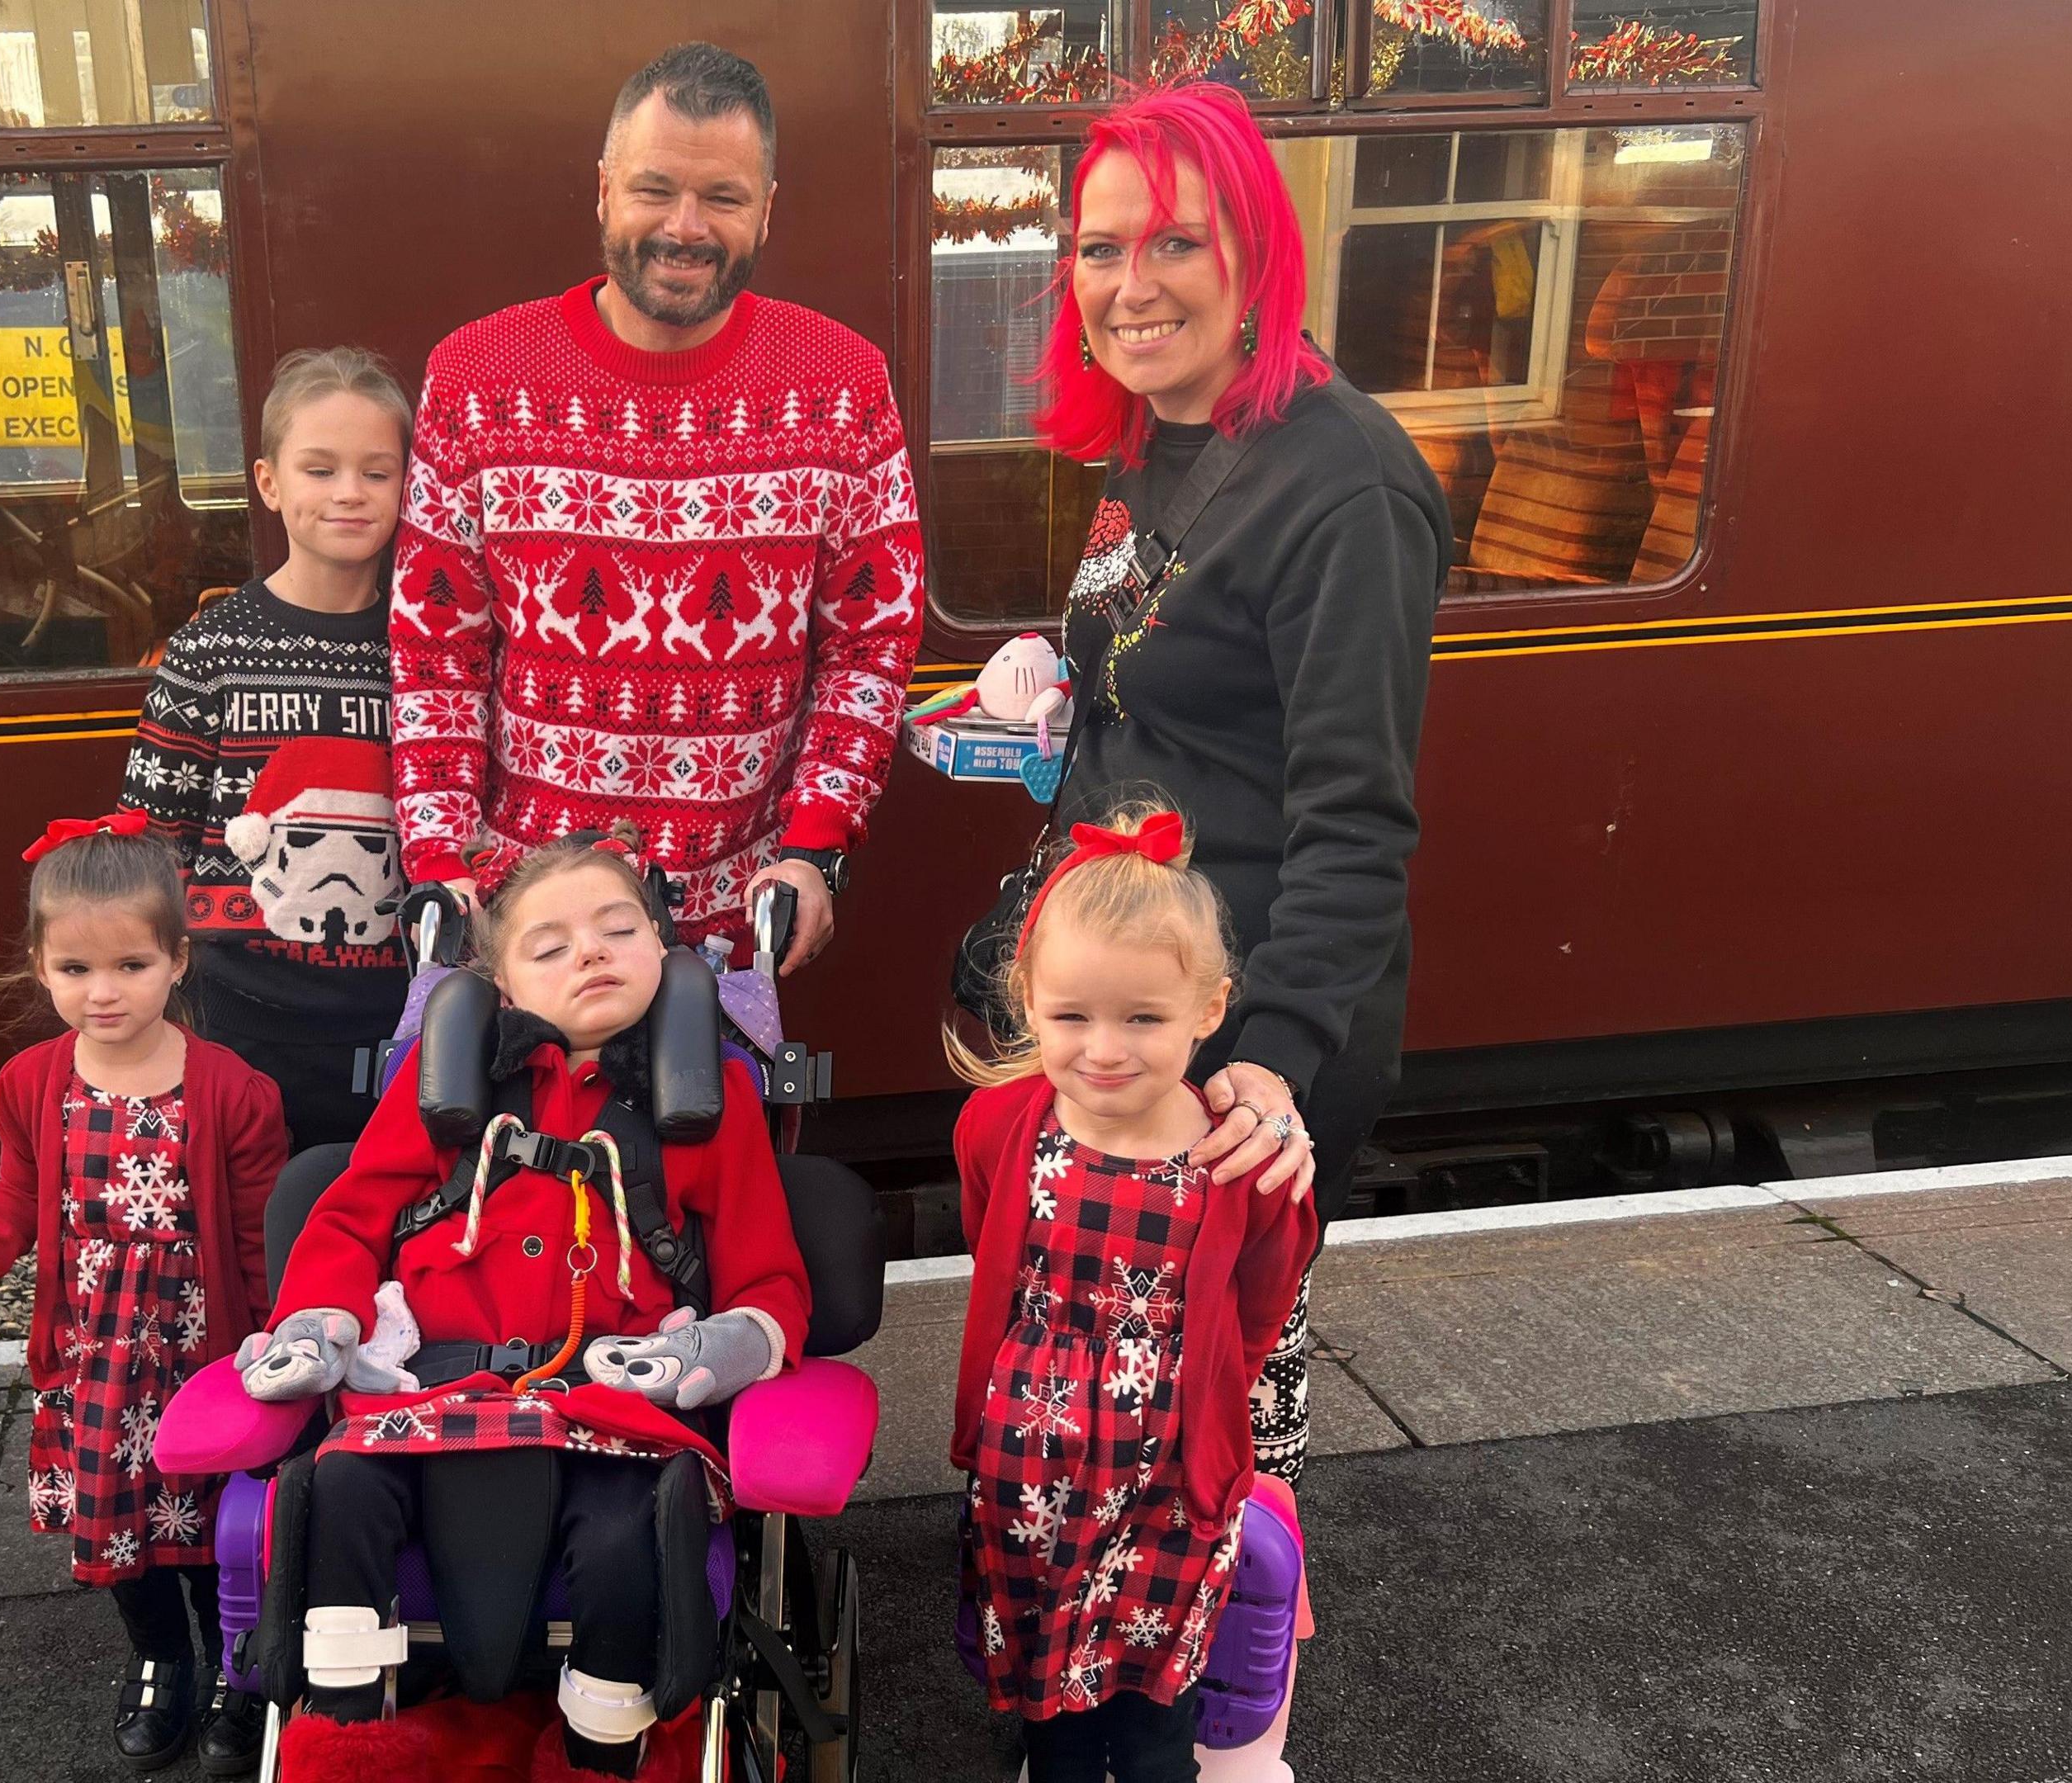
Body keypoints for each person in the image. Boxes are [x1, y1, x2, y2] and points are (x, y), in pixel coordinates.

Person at [1027, 79, 1448, 1483]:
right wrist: (1046, 678)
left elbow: (1356, 816)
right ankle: (1105, 1653)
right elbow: (1164, 668)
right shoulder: (1163, 437)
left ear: (1254, 252)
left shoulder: (1346, 488)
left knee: (1217, 1415)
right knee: (1114, 1389)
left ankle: (1231, 1677)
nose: (1128, 286)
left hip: (1230, 1025)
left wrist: (1265, 1057)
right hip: (1137, 994)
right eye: (1100, 248)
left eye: (1174, 243)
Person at [239, 829, 811, 1782]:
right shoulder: (442, 1091)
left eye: (616, 929)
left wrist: (725, 1344)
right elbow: (345, 1223)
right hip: (425, 1396)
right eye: (549, 947)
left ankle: (601, 1752)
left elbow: (769, 1283)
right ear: (501, 987)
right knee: (335, 1487)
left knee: (632, 1526)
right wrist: (322, 1320)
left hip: (608, 1405)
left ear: (664, 952)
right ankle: (346, 1740)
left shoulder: (708, 1108)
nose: (588, 951)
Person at [389, 41, 925, 972]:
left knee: (723, 1123)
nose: (685, 227)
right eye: (654, 190)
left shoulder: (846, 382)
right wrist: (443, 860)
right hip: (529, 923)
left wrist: (813, 849)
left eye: (721, 197)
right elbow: (437, 650)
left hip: (738, 924)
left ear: (766, 206)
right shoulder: (472, 377)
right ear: (603, 190)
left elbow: (870, 645)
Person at [946, 807, 1317, 1783]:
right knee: (1050, 1712)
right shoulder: (998, 1124)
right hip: (1028, 1477)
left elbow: (1262, 1297)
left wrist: (1201, 1389)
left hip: (1166, 1482)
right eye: (1072, 1017)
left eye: (1144, 1019)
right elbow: (992, 1244)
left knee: (1157, 1719)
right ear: (1028, 1002)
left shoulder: (1233, 1158)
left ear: (1209, 1009)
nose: (1105, 1049)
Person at [0, 811, 289, 1776]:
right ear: (41, 967)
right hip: (93, 1353)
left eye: (131, 965)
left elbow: (258, 1236)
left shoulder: (232, 1091)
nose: (103, 993)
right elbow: (16, 1191)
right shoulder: (30, 1083)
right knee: (116, 1518)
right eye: (76, 970)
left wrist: (272, 1348)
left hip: (199, 1353)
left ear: (178, 959)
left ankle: (235, 1669)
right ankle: (161, 1659)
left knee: (211, 1524)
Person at [125, 348, 414, 1152]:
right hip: (240, 1026)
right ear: (269, 482)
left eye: (377, 472)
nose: (349, 493)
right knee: (258, 1244)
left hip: (400, 1024)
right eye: (320, 469)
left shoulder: (427, 648)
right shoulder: (210, 652)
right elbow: (150, 846)